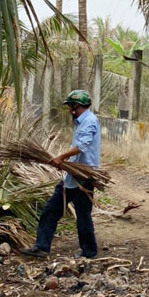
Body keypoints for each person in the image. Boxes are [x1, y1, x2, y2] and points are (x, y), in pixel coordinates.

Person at [22, 90, 100, 259]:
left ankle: (89, 252)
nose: (68, 109)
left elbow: (83, 146)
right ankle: (42, 247)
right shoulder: (80, 121)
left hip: (83, 177)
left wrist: (61, 157)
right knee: (51, 210)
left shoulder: (89, 121)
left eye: (70, 106)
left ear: (76, 106)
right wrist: (64, 163)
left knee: (83, 215)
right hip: (72, 175)